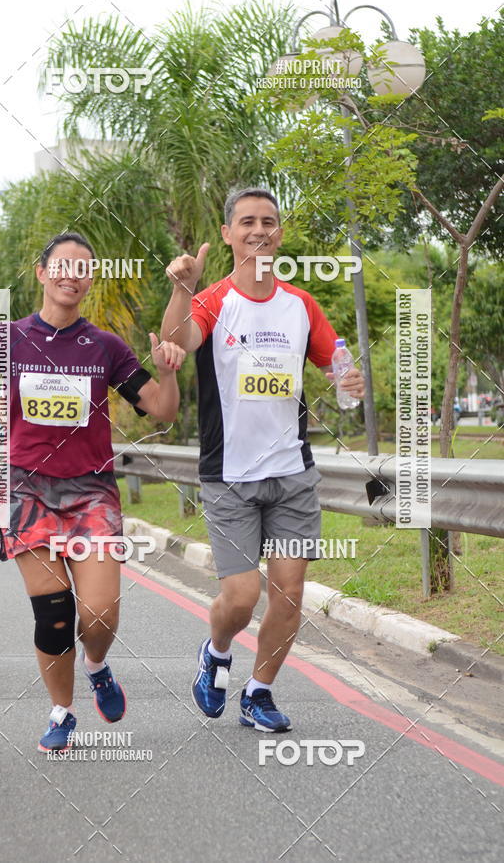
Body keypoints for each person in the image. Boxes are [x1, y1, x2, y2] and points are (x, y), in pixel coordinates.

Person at [0, 232, 185, 753]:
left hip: (91, 492)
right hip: (25, 491)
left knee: (101, 613)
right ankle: (62, 711)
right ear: (41, 274)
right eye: (60, 266)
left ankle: (98, 665)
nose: (71, 275)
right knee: (55, 614)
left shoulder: (106, 347)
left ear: (89, 279)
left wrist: (170, 373)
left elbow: (162, 409)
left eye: (82, 268)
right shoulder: (4, 339)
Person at [161, 187, 365, 732]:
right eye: (247, 222)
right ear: (228, 233)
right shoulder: (214, 300)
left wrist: (349, 380)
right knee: (242, 595)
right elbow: (175, 343)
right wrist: (183, 290)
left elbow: (336, 365)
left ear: (280, 232)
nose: (259, 231)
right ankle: (217, 651)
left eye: (269, 222)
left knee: (290, 592)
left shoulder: (301, 305)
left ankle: (259, 691)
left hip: (292, 473)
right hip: (229, 476)